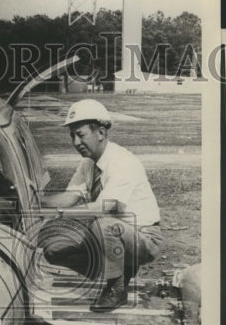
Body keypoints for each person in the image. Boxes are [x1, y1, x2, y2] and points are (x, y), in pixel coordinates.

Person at [40, 99, 163, 311]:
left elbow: (107, 206)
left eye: (80, 134)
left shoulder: (123, 161)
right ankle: (119, 269)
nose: (75, 142)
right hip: (119, 234)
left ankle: (116, 289)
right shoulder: (88, 163)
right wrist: (33, 199)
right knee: (53, 249)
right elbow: (71, 196)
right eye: (72, 136)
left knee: (103, 224)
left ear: (101, 133)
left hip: (145, 238)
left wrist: (60, 214)